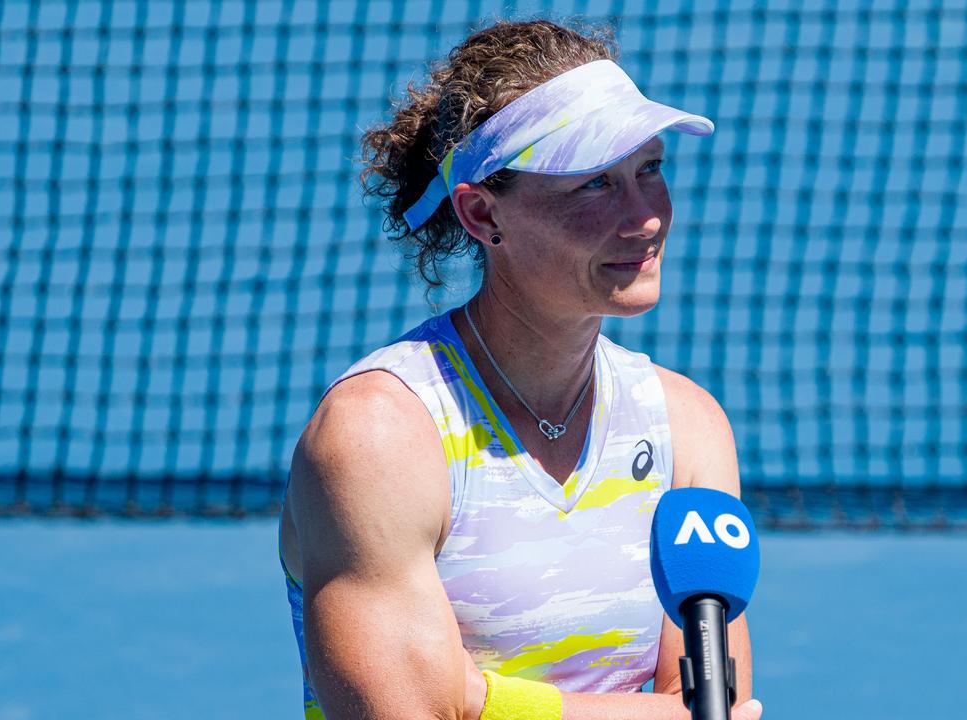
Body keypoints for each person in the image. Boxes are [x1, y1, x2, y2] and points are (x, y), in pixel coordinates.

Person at [278, 17, 762, 720]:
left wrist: (480, 700)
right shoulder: (377, 437)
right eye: (594, 185)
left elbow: (715, 698)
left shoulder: (688, 427)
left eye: (649, 168)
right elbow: (408, 713)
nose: (646, 216)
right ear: (481, 214)